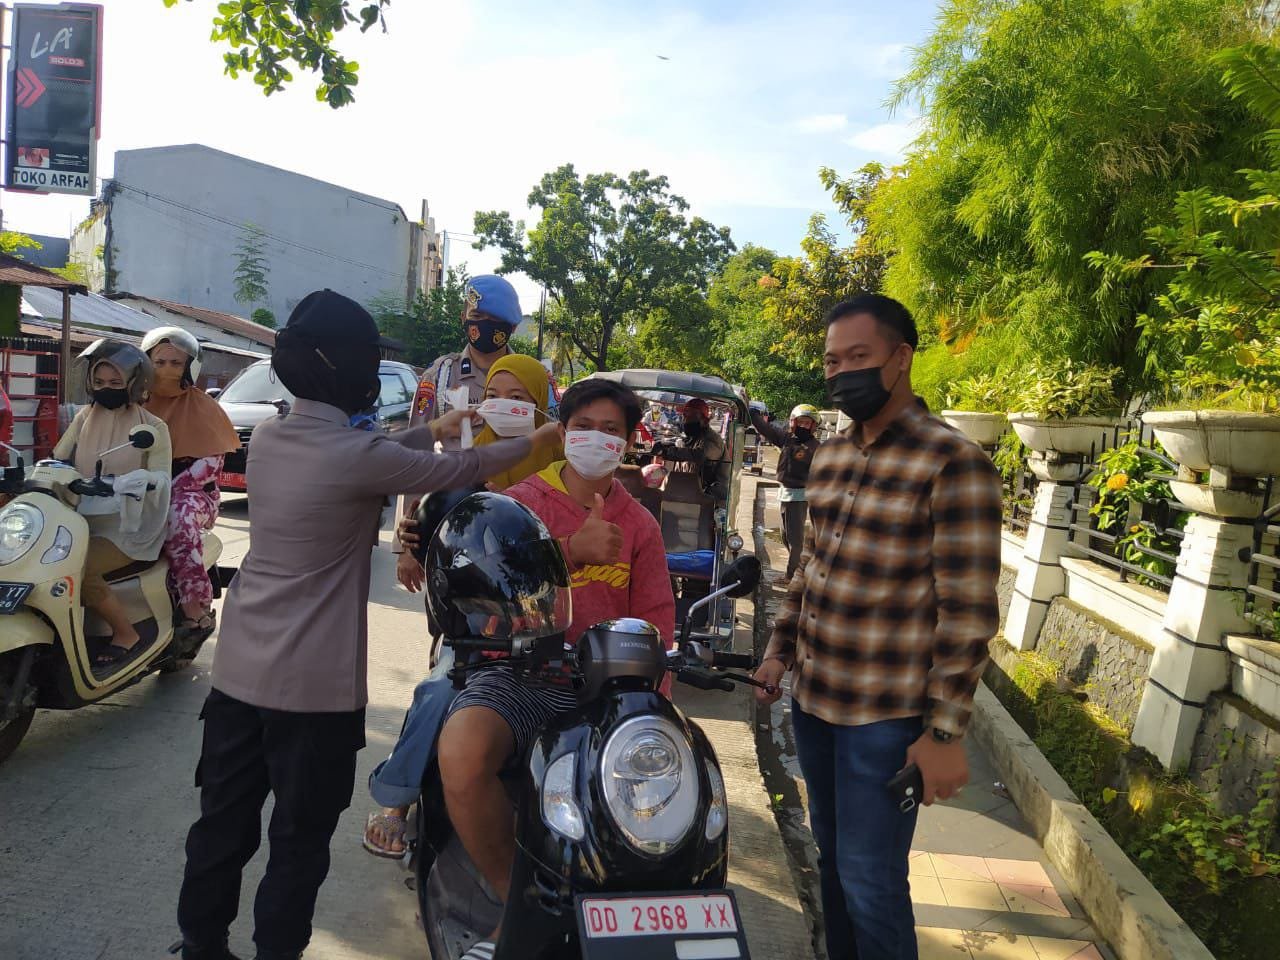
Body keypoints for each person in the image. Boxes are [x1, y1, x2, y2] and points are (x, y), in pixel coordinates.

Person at [174, 289, 562, 960]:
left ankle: (199, 946)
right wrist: (540, 439)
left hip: (237, 673)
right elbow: (459, 465)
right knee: (298, 843)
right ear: (347, 368)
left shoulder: (272, 437)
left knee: (221, 826)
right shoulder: (357, 456)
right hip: (313, 688)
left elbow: (371, 453)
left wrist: (435, 426)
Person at [753, 294, 1002, 960]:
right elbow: (809, 570)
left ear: (900, 358)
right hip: (814, 704)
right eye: (832, 362)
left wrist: (944, 733)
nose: (842, 373)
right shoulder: (830, 457)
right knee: (833, 863)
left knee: (872, 882)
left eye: (858, 357)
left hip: (885, 720)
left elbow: (968, 611)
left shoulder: (954, 463)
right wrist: (779, 651)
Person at [390, 379, 675, 958]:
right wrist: (572, 550)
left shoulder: (640, 524)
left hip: (607, 690)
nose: (596, 439)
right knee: (462, 750)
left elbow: (656, 621)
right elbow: (486, 575)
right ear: (562, 433)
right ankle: (517, 907)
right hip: (519, 672)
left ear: (628, 442)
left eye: (611, 430)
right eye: (584, 427)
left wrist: (659, 705)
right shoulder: (521, 502)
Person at [395, 352, 563, 593]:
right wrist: (412, 540)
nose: (502, 404)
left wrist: (513, 507)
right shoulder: (470, 459)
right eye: (492, 396)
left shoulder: (562, 458)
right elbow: (442, 521)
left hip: (544, 589)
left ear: (538, 400)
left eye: (516, 397)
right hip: (477, 590)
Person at [52, 340, 172, 666]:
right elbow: (57, 458)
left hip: (128, 526)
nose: (106, 388)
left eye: (115, 382)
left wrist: (129, 483)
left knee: (79, 569)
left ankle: (125, 633)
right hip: (81, 518)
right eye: (99, 381)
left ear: (135, 383)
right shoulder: (83, 417)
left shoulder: (153, 428)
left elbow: (161, 480)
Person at [142, 327, 240, 634]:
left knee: (178, 520)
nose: (167, 370)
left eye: (175, 363)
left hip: (191, 494)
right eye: (159, 363)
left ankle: (194, 605)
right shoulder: (134, 404)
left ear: (189, 367)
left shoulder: (204, 407)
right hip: (139, 488)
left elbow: (210, 466)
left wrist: (167, 489)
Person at [750, 401, 821, 580]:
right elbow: (767, 430)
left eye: (807, 423)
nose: (803, 426)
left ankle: (792, 575)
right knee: (784, 535)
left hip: (800, 497)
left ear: (813, 426)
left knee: (795, 539)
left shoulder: (816, 448)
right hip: (786, 493)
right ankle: (799, 568)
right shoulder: (787, 439)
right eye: (800, 422)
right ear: (793, 422)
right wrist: (753, 415)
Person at [655, 397, 728, 491]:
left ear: (704, 420)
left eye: (691, 417)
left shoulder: (712, 439)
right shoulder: (695, 436)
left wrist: (668, 452)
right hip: (693, 488)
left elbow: (699, 455)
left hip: (712, 492)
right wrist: (665, 444)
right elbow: (684, 444)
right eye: (684, 416)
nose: (686, 421)